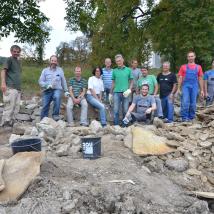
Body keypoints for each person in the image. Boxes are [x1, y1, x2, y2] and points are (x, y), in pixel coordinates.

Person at [39, 55, 69, 121]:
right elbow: (40, 81)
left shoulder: (60, 70)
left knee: (57, 96)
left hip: (57, 89)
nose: (53, 62)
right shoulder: (45, 70)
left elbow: (63, 81)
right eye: (52, 61)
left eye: (55, 61)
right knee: (45, 105)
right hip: (47, 90)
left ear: (57, 62)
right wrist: (46, 85)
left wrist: (66, 90)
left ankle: (55, 116)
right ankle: (43, 120)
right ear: (50, 61)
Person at [178, 51, 204, 122]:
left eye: (192, 56)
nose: (190, 58)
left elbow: (200, 79)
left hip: (195, 86)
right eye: (189, 56)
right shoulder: (183, 67)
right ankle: (184, 117)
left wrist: (202, 90)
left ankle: (191, 117)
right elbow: (180, 78)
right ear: (187, 58)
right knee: (185, 101)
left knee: (193, 103)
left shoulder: (198, 67)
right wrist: (178, 89)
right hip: (185, 86)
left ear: (194, 57)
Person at [0, 45, 22, 127]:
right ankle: (5, 126)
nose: (16, 53)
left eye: (18, 52)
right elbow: (3, 71)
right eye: (14, 51)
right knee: (9, 108)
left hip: (17, 89)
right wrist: (3, 83)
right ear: (11, 52)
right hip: (10, 88)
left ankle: (11, 126)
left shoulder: (18, 61)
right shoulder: (9, 59)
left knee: (16, 108)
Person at [111, 54, 133, 125]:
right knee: (116, 110)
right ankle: (116, 126)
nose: (118, 62)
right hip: (116, 93)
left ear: (123, 60)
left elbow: (132, 81)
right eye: (117, 61)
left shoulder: (128, 70)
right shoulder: (114, 71)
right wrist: (110, 93)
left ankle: (125, 125)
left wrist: (129, 90)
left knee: (125, 110)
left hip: (125, 93)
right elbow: (113, 83)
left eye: (120, 61)